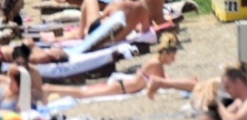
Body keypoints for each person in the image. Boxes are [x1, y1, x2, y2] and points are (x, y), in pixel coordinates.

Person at [45, 34, 195, 100]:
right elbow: (164, 84)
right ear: (165, 54)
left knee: (84, 92)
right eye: (172, 56)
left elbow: (160, 81)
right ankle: (50, 89)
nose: (174, 60)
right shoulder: (156, 64)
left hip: (124, 85)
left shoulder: (155, 63)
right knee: (83, 93)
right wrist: (186, 82)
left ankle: (51, 89)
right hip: (123, 87)